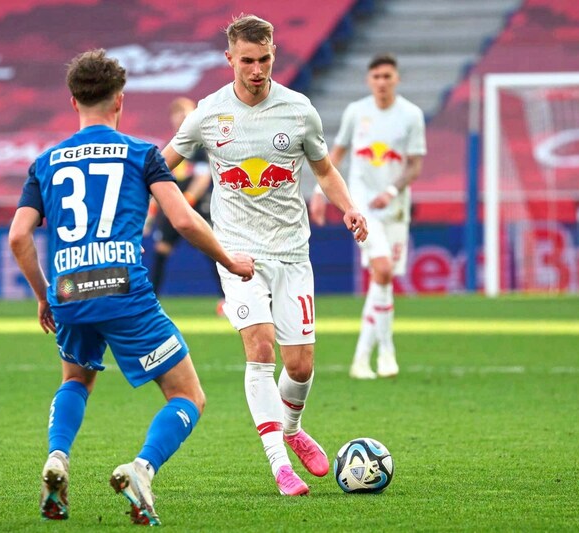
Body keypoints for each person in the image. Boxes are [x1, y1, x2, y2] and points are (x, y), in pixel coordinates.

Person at [8, 48, 254, 525]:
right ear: (120, 100)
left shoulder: (46, 162)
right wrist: (228, 258)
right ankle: (142, 469)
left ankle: (57, 457)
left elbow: (19, 236)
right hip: (125, 290)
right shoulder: (141, 154)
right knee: (188, 396)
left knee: (76, 379)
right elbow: (182, 219)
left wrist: (43, 294)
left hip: (70, 290)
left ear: (72, 100)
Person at [161, 14, 368, 496]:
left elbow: (325, 170)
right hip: (238, 256)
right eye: (248, 60)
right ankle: (279, 465)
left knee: (300, 366)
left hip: (293, 253)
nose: (257, 70)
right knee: (259, 347)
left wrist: (350, 208)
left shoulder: (298, 111)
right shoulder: (209, 114)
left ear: (274, 55)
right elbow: (161, 164)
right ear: (230, 58)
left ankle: (293, 431)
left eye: (266, 59)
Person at [310, 53, 426, 380]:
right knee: (384, 269)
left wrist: (391, 190)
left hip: (396, 209)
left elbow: (414, 164)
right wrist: (320, 193)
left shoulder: (411, 116)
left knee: (383, 280)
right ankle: (387, 352)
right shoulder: (356, 112)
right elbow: (334, 155)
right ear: (368, 80)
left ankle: (362, 359)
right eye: (376, 77)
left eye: (387, 76)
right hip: (361, 208)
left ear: (396, 79)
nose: (382, 82)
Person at [144, 97, 222, 298]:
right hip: (173, 207)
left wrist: (184, 203)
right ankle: (154, 299)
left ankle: (229, 299)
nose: (181, 119)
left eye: (186, 114)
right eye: (177, 115)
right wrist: (151, 215)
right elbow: (157, 184)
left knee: (213, 250)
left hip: (196, 206)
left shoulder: (199, 146)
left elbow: (203, 178)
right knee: (162, 250)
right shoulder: (170, 148)